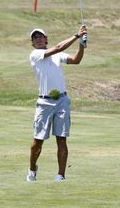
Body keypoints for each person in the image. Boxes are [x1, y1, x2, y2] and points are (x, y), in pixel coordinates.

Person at [27, 25, 87, 181]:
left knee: (61, 139)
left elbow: (75, 60)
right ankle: (32, 169)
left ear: (46, 39)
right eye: (35, 37)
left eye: (41, 36)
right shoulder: (35, 55)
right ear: (32, 43)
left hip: (62, 101)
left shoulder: (57, 55)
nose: (38, 39)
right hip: (44, 102)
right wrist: (76, 35)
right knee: (37, 141)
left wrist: (82, 45)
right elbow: (58, 47)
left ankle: (61, 175)